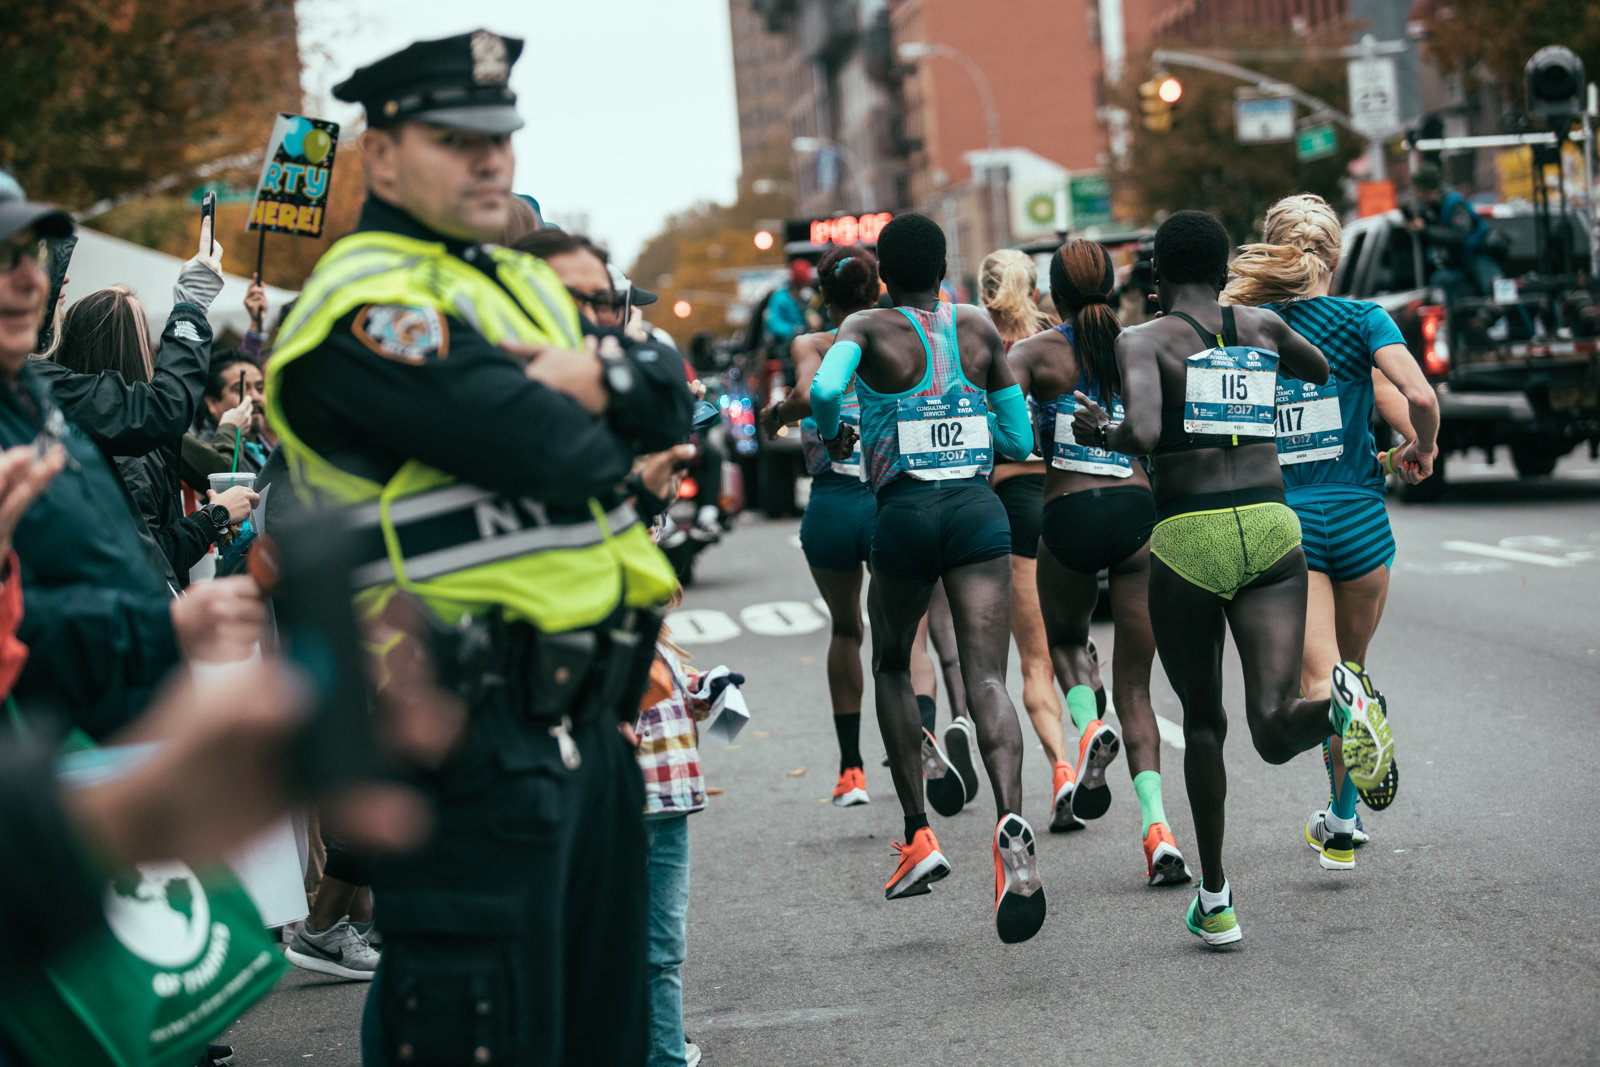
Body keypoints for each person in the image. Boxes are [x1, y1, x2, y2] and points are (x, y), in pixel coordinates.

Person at [266, 32, 691, 1066]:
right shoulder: (361, 294)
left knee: (607, 1038)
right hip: (466, 737)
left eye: (499, 137)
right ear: (382, 155)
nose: (489, 159)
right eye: (455, 139)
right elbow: (543, 441)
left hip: (588, 731)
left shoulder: (515, 282)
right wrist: (584, 384)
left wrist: (578, 380)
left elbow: (664, 394)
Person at [1070, 210, 1395, 947]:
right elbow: (1318, 370)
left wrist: (1101, 431)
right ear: (1224, 270)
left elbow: (1146, 432)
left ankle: (1216, 900)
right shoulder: (1261, 328)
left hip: (1189, 536)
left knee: (1209, 725)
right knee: (1277, 723)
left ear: (1156, 278)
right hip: (1274, 526)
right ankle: (1340, 708)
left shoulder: (1143, 339)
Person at [809, 212, 1046, 944]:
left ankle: (918, 832)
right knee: (986, 679)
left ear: (884, 273)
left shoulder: (867, 327)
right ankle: (1010, 816)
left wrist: (836, 429)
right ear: (944, 266)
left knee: (888, 659)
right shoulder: (976, 327)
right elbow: (1019, 437)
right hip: (978, 513)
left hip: (905, 512)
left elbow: (824, 389)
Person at [1, 182, 265, 739]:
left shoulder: (31, 389)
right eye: (7, 259)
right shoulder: (61, 398)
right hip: (62, 733)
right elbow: (160, 411)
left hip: (121, 696)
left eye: (36, 260)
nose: (33, 279)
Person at [1224, 194, 1438, 868]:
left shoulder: (1248, 328)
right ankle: (1342, 824)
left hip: (1289, 525)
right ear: (1336, 258)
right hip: (1362, 523)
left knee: (1323, 686)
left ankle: (1344, 814)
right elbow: (1421, 400)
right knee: (1354, 676)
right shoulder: (1361, 321)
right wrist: (1420, 447)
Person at [1009, 239, 1192, 885]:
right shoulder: (1140, 344)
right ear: (1114, 289)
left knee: (1065, 638)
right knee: (1139, 688)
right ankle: (1159, 830)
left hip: (1067, 513)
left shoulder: (1033, 353)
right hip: (1140, 515)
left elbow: (1004, 431)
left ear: (1050, 296)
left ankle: (1086, 728)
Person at [760, 246, 884, 808]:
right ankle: (925, 736)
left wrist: (779, 414)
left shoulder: (811, 343)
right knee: (908, 639)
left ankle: (851, 770)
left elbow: (811, 395)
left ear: (823, 298)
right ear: (876, 291)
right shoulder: (895, 336)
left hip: (832, 501)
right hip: (888, 500)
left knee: (844, 631)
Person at [53, 284, 258, 587]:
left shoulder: (65, 425)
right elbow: (148, 560)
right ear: (132, 350)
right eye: (146, 338)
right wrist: (215, 516)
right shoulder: (131, 450)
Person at [978, 249, 1075, 823]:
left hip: (1011, 502)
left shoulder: (972, 345)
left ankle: (1062, 767)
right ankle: (1090, 726)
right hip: (1069, 496)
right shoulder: (1059, 342)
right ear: (1036, 290)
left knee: (1034, 662)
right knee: (1075, 649)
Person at [764, 258, 814, 356]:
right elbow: (773, 323)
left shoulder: (809, 299)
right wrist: (796, 330)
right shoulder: (779, 299)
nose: (804, 288)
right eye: (802, 285)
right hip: (786, 350)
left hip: (808, 347)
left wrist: (810, 311)